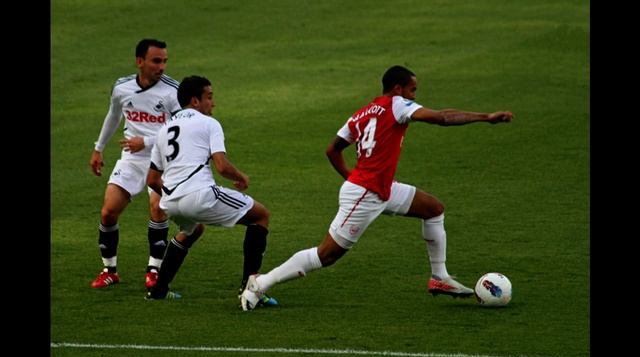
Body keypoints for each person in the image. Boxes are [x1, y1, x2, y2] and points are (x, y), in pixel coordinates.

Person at [240, 65, 513, 310]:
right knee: (326, 254)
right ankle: (260, 284)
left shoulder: (361, 113)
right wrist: (485, 117)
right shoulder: (397, 104)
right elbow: (441, 117)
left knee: (433, 209)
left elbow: (332, 149)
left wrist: (350, 175)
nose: (414, 97)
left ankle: (440, 278)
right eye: (412, 90)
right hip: (366, 193)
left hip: (378, 188)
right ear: (398, 89)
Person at [144, 75, 277, 306]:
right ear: (195, 101)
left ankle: (159, 290)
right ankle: (250, 290)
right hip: (199, 195)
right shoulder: (209, 123)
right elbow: (222, 166)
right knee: (261, 216)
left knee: (192, 230)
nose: (212, 103)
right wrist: (241, 177)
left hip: (171, 202)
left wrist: (172, 193)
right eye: (209, 97)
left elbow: (152, 179)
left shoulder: (163, 130)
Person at [89, 39, 181, 290]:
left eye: (164, 61)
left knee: (157, 208)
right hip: (132, 158)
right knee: (108, 211)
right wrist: (98, 148)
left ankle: (154, 270)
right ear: (140, 61)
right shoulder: (122, 87)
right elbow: (114, 115)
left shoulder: (173, 91)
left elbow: (179, 128)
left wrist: (148, 141)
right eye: (156, 61)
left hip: (162, 160)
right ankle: (110, 270)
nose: (161, 66)